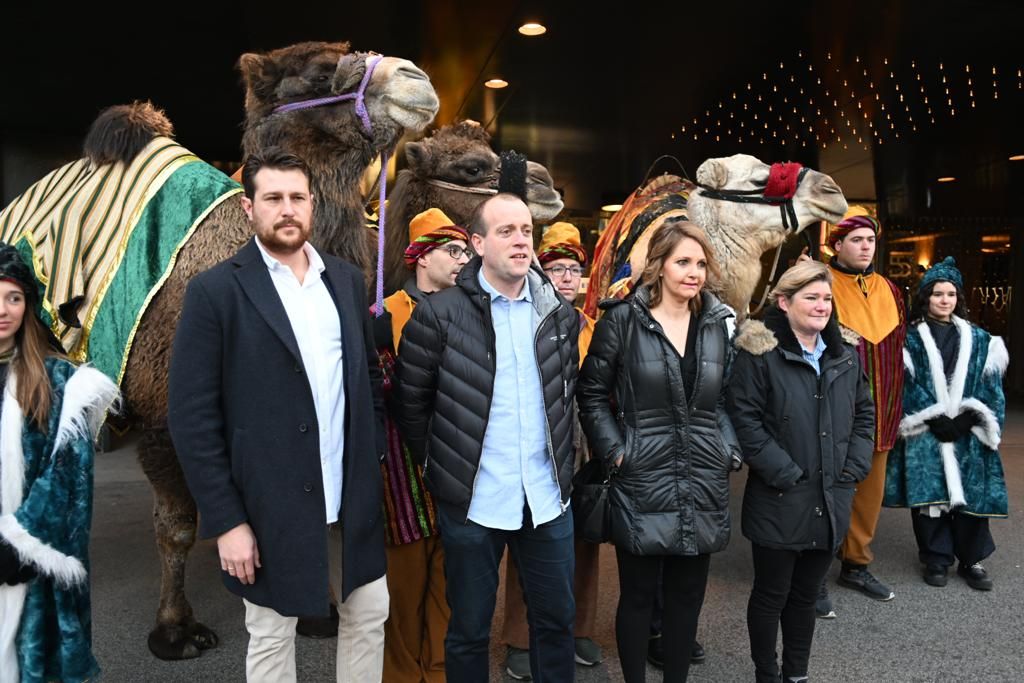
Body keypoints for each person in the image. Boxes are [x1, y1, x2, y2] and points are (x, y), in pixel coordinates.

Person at [168, 148, 389, 682]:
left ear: (312, 206)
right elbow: (192, 419)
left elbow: (368, 378)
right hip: (266, 505)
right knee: (271, 633)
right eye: (273, 198)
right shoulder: (215, 292)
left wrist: (372, 453)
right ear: (250, 208)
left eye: (296, 198)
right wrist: (227, 522)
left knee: (370, 614)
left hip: (349, 494)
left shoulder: (344, 280)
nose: (286, 209)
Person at [397, 193, 580, 682]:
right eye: (506, 231)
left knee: (556, 625)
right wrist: (442, 468)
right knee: (469, 630)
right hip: (474, 501)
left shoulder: (558, 314)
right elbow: (412, 405)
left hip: (545, 498)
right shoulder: (439, 315)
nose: (521, 240)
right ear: (477, 243)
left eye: (526, 230)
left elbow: (568, 396)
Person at [578, 219, 738, 683]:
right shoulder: (624, 320)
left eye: (701, 263)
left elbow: (725, 399)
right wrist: (616, 452)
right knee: (638, 597)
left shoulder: (715, 324)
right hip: (641, 476)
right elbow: (591, 394)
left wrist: (727, 447)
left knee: (688, 599)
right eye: (683, 261)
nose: (694, 272)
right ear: (659, 267)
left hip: (703, 475)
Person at [726, 260, 875, 683]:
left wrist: (853, 468)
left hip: (832, 495)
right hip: (779, 496)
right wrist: (786, 473)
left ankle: (797, 674)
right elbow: (746, 422)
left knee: (807, 596)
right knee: (772, 595)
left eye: (826, 298)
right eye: (811, 297)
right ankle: (766, 673)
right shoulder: (759, 355)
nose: (821, 306)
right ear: (784, 302)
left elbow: (864, 413)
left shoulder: (845, 354)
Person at [0, 243, 119, 682]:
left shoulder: (59, 383)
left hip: (32, 564)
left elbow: (70, 476)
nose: (4, 309)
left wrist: (20, 544)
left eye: (14, 297)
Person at [502, 221, 601, 679]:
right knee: (529, 547)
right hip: (541, 449)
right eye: (556, 267)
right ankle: (519, 636)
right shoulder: (527, 319)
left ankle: (581, 627)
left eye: (572, 269)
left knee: (586, 544)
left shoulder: (594, 326)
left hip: (585, 451)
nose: (564, 277)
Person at [377, 207, 470, 682]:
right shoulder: (384, 312)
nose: (462, 259)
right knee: (403, 593)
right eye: (452, 250)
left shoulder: (472, 313)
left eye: (465, 251)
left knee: (449, 591)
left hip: (456, 470)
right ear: (420, 257)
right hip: (401, 477)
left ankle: (439, 673)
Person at [884, 257, 1008, 590]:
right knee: (930, 501)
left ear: (958, 298)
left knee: (972, 500)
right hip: (927, 432)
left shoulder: (982, 340)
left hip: (969, 433)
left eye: (950, 294)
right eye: (937, 293)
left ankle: (972, 561)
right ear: (925, 298)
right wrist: (933, 416)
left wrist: (971, 416)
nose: (944, 300)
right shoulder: (906, 339)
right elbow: (903, 384)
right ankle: (936, 559)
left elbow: (992, 387)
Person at [819, 210, 906, 613]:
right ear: (837, 245)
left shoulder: (891, 288)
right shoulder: (819, 284)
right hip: (832, 409)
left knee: (869, 492)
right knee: (825, 489)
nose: (865, 245)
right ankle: (813, 572)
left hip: (883, 408)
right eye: (856, 239)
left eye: (870, 239)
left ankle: (855, 563)